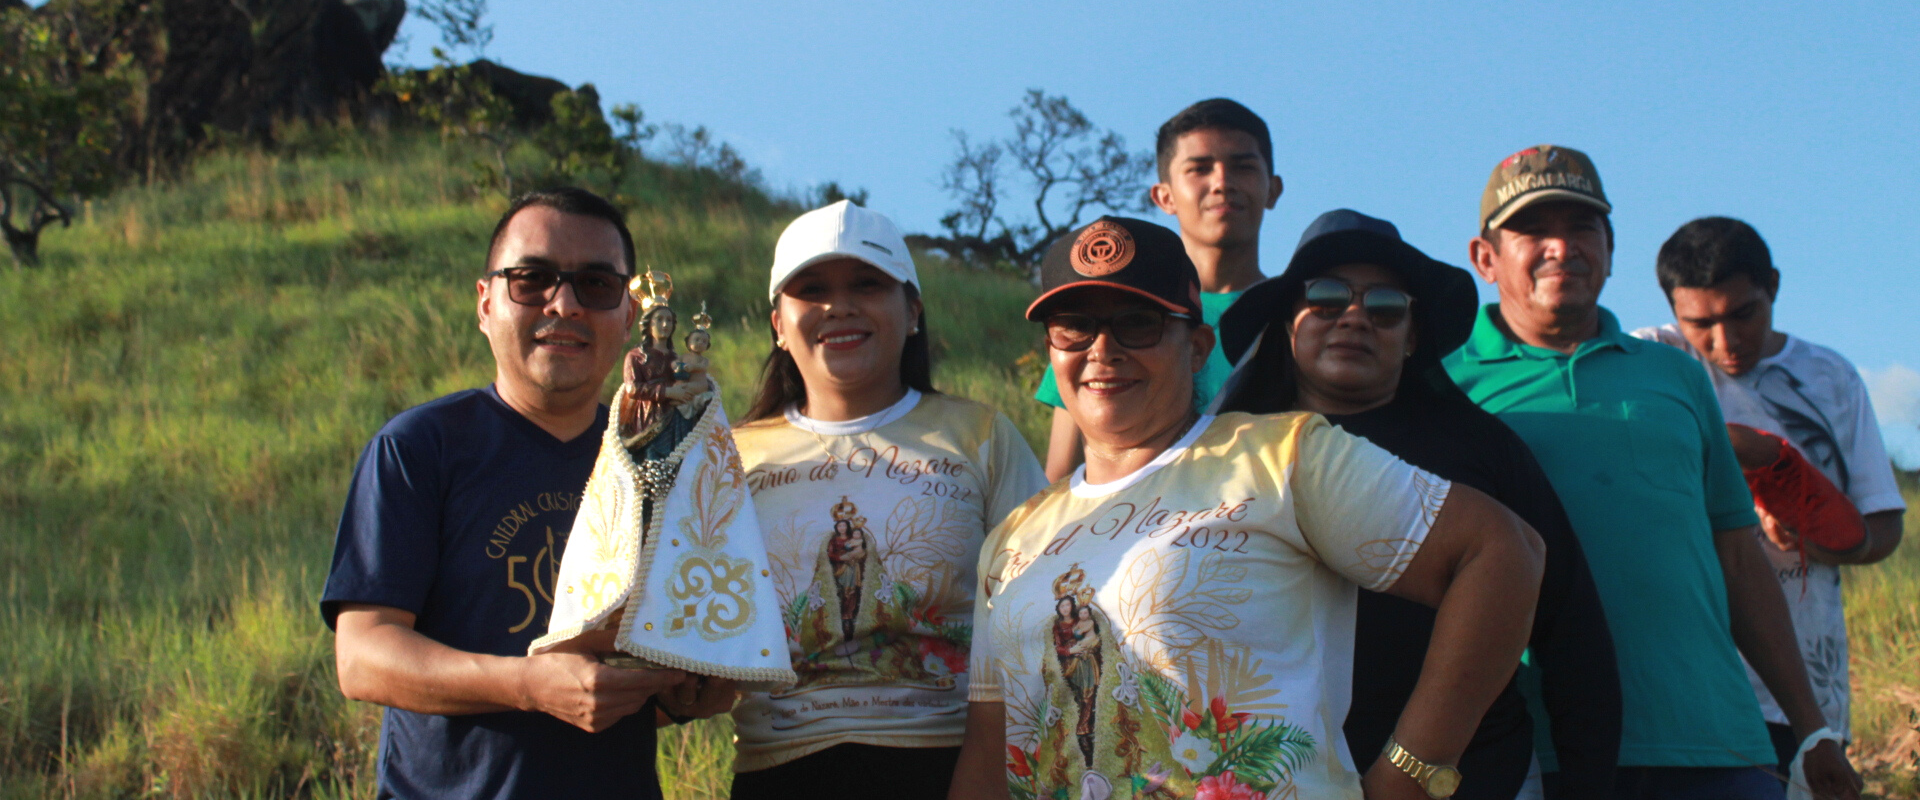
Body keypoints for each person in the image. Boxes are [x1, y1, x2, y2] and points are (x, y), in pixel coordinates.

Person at [953, 216, 1545, 800]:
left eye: (1139, 323)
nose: (1103, 348)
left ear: (1197, 347)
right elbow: (989, 756)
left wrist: (1410, 775)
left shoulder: (1281, 457)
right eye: (1074, 327)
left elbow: (1503, 553)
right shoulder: (1014, 536)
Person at [1444, 146, 1863, 800]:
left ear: (1610, 247)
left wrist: (1811, 728)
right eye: (1533, 229)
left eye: (1582, 227)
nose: (1562, 246)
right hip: (1534, 750)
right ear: (1484, 257)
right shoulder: (1444, 383)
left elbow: (1736, 556)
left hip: (1714, 737)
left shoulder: (1675, 374)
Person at [321, 188, 731, 799]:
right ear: (485, 303)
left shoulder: (663, 463)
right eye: (532, 279)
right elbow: (362, 657)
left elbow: (648, 678)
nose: (563, 304)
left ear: (628, 316)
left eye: (595, 285)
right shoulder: (418, 449)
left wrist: (692, 691)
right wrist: (531, 685)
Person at [1212, 208, 1621, 799]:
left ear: (1412, 338)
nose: (1354, 317)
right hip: (1274, 780)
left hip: (1476, 777)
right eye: (1326, 298)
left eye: (1384, 307)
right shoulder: (1222, 459)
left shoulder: (1484, 451)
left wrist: (1586, 788)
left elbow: (1571, 626)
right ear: (1286, 324)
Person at [728, 201, 1047, 800]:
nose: (839, 306)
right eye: (812, 288)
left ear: (914, 310)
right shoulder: (730, 458)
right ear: (777, 322)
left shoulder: (979, 436)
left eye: (868, 285)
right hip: (780, 769)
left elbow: (1032, 613)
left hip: (954, 766)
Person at [1632, 216, 1906, 773]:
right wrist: (1757, 460)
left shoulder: (1830, 377)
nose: (1724, 340)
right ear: (1671, 309)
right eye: (1700, 323)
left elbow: (1883, 528)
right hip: (1684, 684)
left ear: (1773, 287)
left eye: (1743, 314)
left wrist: (1821, 535)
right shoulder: (1650, 361)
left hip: (1805, 694)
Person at [1036, 98, 1285, 480]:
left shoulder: (1301, 317)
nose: (1222, 183)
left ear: (1273, 189)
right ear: (1163, 196)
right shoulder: (1098, 321)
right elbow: (1060, 473)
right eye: (1199, 168)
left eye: (1243, 166)